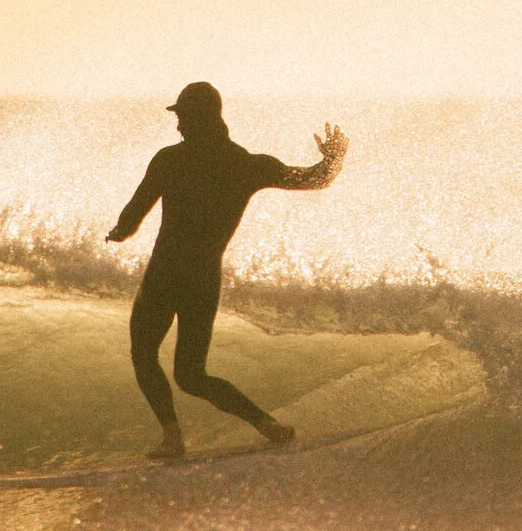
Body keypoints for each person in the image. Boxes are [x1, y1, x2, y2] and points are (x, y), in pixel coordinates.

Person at [107, 82, 348, 460]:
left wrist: (119, 232)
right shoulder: (246, 165)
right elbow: (315, 179)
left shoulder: (169, 160)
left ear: (201, 117)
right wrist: (334, 159)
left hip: (165, 274)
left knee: (143, 353)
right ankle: (268, 425)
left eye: (183, 117)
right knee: (191, 375)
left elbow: (134, 212)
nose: (178, 126)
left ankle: (172, 438)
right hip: (203, 279)